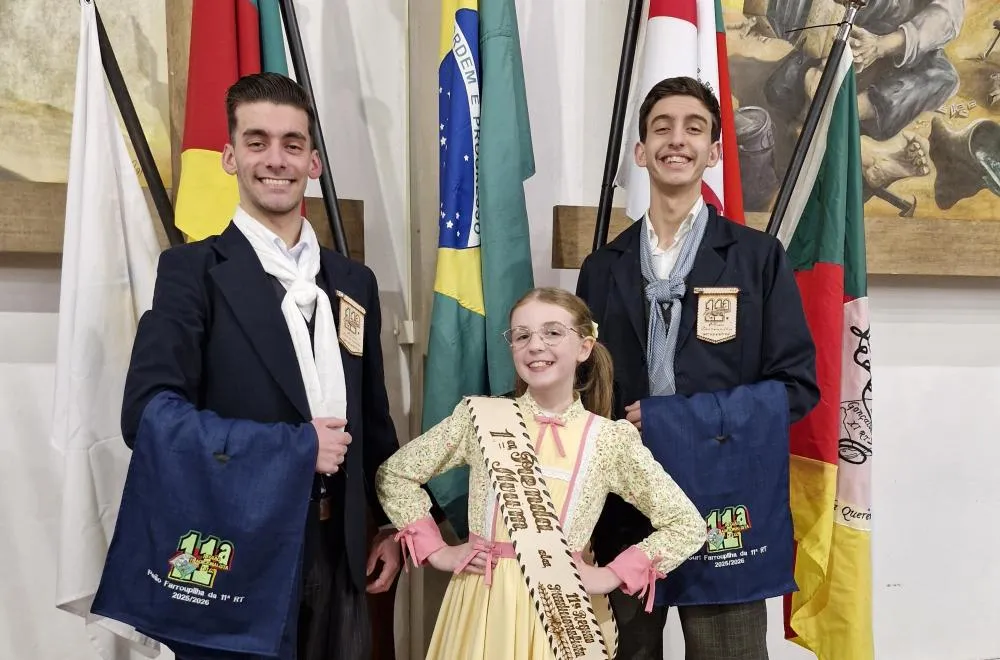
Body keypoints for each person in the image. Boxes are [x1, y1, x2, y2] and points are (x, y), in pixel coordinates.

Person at [115, 72, 401, 659]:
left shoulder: (354, 283)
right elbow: (145, 417)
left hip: (340, 549)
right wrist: (294, 448)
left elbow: (373, 421)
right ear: (229, 156)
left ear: (314, 162)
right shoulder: (191, 272)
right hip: (232, 545)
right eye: (257, 141)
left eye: (292, 144)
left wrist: (392, 525)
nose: (276, 159)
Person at [576, 76, 820, 659]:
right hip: (623, 509)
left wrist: (674, 420)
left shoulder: (758, 259)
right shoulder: (602, 267)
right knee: (626, 653)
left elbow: (796, 389)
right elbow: (582, 394)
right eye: (661, 128)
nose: (676, 141)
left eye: (694, 128)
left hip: (723, 502)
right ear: (641, 151)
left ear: (714, 152)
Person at [375, 287, 707, 660]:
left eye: (552, 332)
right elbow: (396, 474)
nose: (535, 345)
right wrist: (436, 551)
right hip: (482, 604)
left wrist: (613, 574)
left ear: (584, 347)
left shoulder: (610, 439)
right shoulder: (479, 419)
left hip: (566, 613)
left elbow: (686, 525)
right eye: (522, 335)